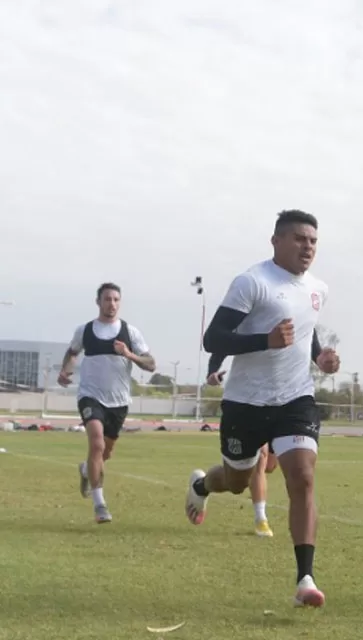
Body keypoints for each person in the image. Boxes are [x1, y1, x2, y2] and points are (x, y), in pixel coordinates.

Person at [183, 209, 340, 607]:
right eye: (299, 239)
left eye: (313, 241)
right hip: (245, 403)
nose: (308, 247)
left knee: (302, 476)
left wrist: (320, 359)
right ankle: (202, 485)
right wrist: (263, 341)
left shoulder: (318, 288)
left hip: (295, 399)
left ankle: (305, 578)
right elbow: (213, 338)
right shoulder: (251, 282)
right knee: (236, 482)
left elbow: (306, 333)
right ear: (277, 241)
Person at [57, 282, 156, 523]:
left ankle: (85, 469)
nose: (112, 304)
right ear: (98, 302)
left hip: (119, 401)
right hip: (91, 395)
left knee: (104, 453)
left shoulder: (130, 332)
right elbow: (72, 352)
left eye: (116, 300)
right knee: (97, 444)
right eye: (107, 299)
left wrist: (129, 354)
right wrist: (65, 371)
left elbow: (151, 364)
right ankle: (100, 504)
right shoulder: (86, 330)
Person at [206, 354, 278, 538]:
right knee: (259, 462)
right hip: (249, 400)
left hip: (282, 400)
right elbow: (219, 339)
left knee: (268, 466)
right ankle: (261, 519)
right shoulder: (252, 325)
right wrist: (212, 371)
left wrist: (320, 358)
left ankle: (201, 485)